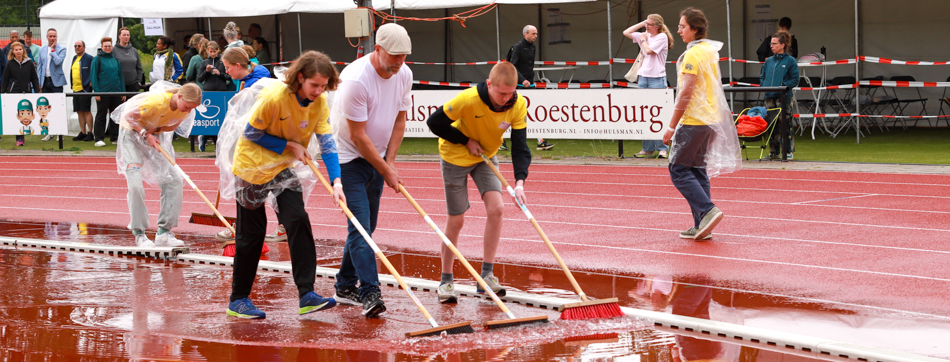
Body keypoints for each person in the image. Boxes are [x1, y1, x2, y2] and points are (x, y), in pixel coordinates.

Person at [219, 51, 344, 319]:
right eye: (314, 86)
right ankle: (238, 299)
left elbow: (327, 142)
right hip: (252, 166)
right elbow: (251, 133)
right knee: (252, 235)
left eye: (323, 86)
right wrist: (289, 145)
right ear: (300, 78)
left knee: (297, 220)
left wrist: (336, 181)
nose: (319, 91)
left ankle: (307, 294)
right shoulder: (275, 99)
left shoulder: (319, 102)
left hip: (281, 167)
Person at [425, 61, 531, 303]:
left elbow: (521, 146)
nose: (506, 98)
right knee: (457, 220)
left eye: (511, 92)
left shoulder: (519, 104)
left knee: (498, 209)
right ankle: (446, 279)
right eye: (501, 92)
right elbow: (434, 123)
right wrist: (465, 140)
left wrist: (519, 182)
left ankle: (486, 276)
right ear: (489, 84)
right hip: (455, 157)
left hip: (486, 156)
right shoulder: (468, 99)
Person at [330, 23, 413, 318]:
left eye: (404, 57)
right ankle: (369, 291)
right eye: (394, 57)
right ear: (376, 49)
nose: (399, 63)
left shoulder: (404, 73)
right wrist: (386, 170)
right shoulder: (355, 80)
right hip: (347, 159)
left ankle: (343, 285)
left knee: (367, 226)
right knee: (361, 228)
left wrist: (389, 163)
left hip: (376, 158)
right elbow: (358, 136)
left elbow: (400, 121)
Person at [662, 7, 741, 241]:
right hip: (710, 118)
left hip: (694, 119)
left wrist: (671, 126)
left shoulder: (694, 54)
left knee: (678, 169)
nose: (678, 30)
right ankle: (701, 224)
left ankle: (707, 211)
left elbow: (686, 92)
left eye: (682, 26)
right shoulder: (709, 50)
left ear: (694, 29)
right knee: (696, 169)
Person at [112, 82, 202, 247]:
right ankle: (139, 233)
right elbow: (127, 116)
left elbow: (173, 126)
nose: (189, 111)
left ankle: (164, 232)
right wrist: (145, 133)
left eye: (192, 108)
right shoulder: (156, 101)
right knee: (135, 185)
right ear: (180, 96)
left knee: (174, 180)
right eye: (187, 106)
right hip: (131, 134)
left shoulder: (186, 111)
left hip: (153, 135)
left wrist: (154, 130)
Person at [212, 46, 283, 242]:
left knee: (256, 183)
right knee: (270, 183)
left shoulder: (254, 85)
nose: (226, 71)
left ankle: (245, 228)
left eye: (227, 67)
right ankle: (274, 225)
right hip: (255, 141)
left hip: (258, 142)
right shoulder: (248, 79)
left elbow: (248, 119)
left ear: (237, 65)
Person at [624, 14, 673, 159]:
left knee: (659, 113)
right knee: (645, 113)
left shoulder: (661, 37)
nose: (647, 26)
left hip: (657, 77)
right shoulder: (645, 33)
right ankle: (647, 148)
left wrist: (643, 39)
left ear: (657, 27)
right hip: (643, 76)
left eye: (649, 24)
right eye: (647, 23)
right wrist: (642, 23)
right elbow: (626, 32)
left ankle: (663, 148)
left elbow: (649, 51)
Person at [503, 25, 553, 151]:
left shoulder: (533, 47)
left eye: (536, 33)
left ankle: (540, 141)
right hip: (517, 86)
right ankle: (500, 139)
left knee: (532, 112)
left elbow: (529, 67)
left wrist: (530, 81)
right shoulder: (518, 47)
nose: (536, 36)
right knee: (510, 113)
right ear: (526, 34)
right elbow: (512, 66)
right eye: (533, 34)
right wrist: (522, 80)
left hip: (529, 86)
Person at [759, 31, 799, 160]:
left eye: (774, 43)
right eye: (771, 43)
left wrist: (783, 87)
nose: (771, 46)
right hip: (769, 96)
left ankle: (788, 151)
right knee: (770, 123)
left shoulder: (790, 61)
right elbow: (762, 77)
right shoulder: (768, 61)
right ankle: (773, 151)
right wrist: (764, 86)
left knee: (785, 123)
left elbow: (795, 79)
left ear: (782, 45)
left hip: (784, 97)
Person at [1, 42, 39, 147]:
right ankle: (19, 138)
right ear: (13, 51)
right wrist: (3, 93)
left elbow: (34, 79)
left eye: (20, 49)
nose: (18, 51)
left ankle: (25, 133)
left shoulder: (29, 63)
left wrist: (37, 92)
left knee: (27, 115)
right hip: (14, 93)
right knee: (17, 115)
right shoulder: (10, 64)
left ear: (23, 50)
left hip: (27, 92)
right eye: (16, 50)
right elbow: (5, 80)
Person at [92, 37, 127, 147]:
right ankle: (98, 138)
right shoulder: (97, 59)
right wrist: (96, 92)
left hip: (116, 92)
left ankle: (115, 137)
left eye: (109, 46)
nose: (107, 48)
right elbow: (93, 77)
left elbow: (120, 76)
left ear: (112, 47)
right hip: (103, 93)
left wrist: (123, 92)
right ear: (102, 47)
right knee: (101, 115)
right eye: (105, 46)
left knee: (115, 116)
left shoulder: (116, 60)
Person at [69, 41, 94, 142]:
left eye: (79, 46)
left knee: (86, 111)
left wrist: (91, 81)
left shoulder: (89, 58)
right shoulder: (75, 58)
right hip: (75, 89)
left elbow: (94, 70)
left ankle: (90, 132)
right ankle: (82, 132)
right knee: (79, 111)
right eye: (75, 46)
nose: (77, 47)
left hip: (84, 89)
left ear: (84, 47)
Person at [37, 28, 67, 93]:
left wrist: (53, 50)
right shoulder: (41, 49)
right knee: (45, 102)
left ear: (57, 37)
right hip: (45, 81)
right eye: (50, 36)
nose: (52, 38)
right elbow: (39, 66)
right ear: (47, 37)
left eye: (54, 36)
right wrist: (39, 82)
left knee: (57, 102)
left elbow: (58, 62)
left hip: (56, 81)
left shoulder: (62, 49)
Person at [115, 27, 144, 93]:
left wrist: (139, 82)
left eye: (128, 35)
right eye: (124, 35)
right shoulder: (114, 51)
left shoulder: (134, 50)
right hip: (119, 86)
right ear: (119, 36)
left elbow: (139, 68)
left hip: (133, 85)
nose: (126, 37)